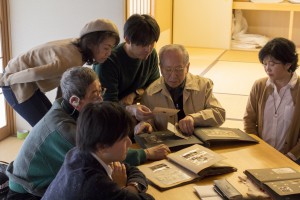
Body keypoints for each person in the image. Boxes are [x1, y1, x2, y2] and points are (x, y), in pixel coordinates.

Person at [5, 67, 169, 200]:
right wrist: (145, 154)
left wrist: (127, 186)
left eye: (100, 91)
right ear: (75, 101)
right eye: (94, 95)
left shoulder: (68, 110)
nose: (100, 99)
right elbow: (113, 156)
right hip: (28, 192)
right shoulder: (65, 130)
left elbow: (116, 161)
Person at [0, 18, 120, 126]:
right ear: (91, 43)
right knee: (47, 127)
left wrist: (60, 107)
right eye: (106, 48)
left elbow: (63, 81)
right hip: (16, 82)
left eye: (111, 48)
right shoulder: (72, 58)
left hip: (27, 82)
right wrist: (6, 79)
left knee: (53, 119)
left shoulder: (78, 47)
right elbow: (36, 74)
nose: (109, 53)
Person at [42, 101, 154, 200]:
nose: (130, 142)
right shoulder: (95, 185)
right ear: (102, 147)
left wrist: (130, 187)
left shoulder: (79, 153)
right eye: (123, 139)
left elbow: (132, 170)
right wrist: (123, 189)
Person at [135, 44, 225, 135]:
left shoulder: (203, 85)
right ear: (161, 69)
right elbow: (147, 123)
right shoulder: (150, 94)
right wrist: (146, 126)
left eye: (179, 69)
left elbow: (219, 114)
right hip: (167, 145)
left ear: (187, 67)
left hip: (199, 142)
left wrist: (193, 118)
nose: (173, 76)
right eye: (168, 70)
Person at [93, 14, 160, 121]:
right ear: (127, 40)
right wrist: (130, 108)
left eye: (152, 43)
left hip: (133, 110)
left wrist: (135, 93)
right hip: (107, 118)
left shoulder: (151, 55)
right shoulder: (108, 62)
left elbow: (155, 86)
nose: (148, 49)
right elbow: (107, 105)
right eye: (143, 44)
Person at [244, 37, 300, 163]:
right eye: (264, 63)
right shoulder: (259, 85)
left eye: (272, 64)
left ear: (288, 64)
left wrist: (290, 157)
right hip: (260, 155)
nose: (267, 68)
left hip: (293, 159)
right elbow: (249, 121)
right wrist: (257, 148)